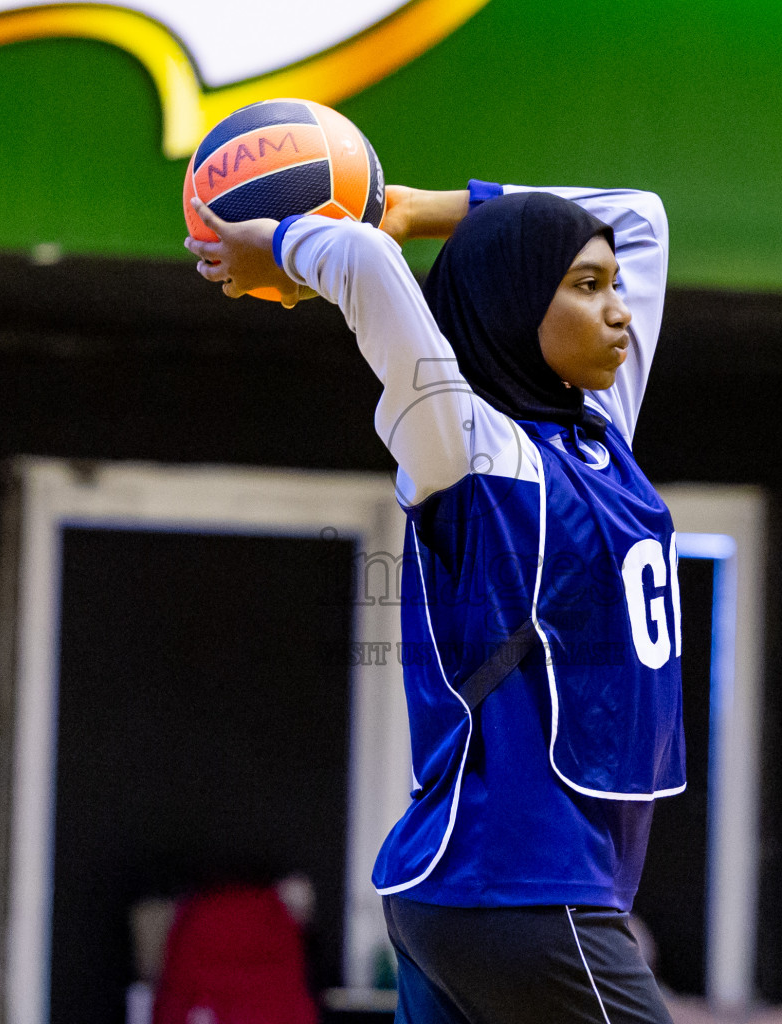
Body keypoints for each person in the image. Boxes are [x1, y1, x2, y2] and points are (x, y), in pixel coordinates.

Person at [187, 173, 678, 1023]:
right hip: (516, 886)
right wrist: (277, 246)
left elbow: (640, 213)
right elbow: (368, 261)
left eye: (613, 283)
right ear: (513, 303)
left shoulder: (601, 434)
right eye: (586, 286)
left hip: (484, 892)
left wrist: (421, 205)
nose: (621, 309)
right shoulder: (467, 445)